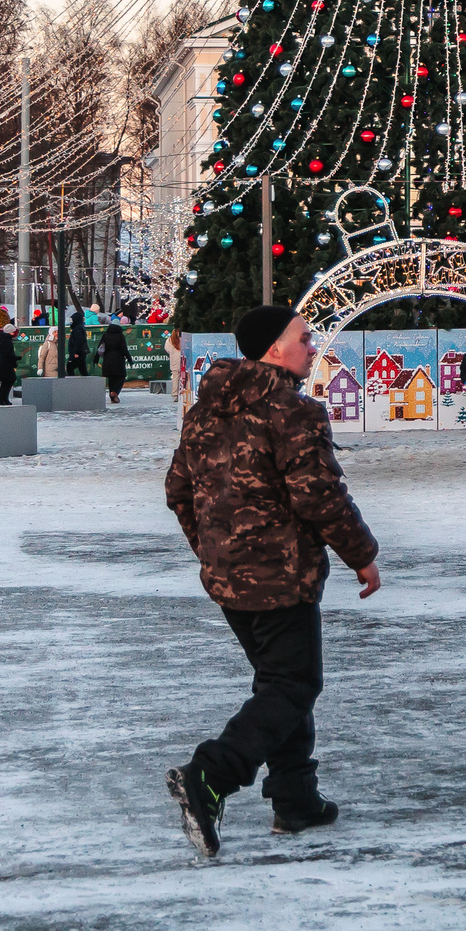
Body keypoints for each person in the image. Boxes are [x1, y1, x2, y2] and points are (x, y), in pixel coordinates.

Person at [165, 304, 381, 858]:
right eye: (304, 339)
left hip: (229, 579)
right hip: (281, 577)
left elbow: (178, 490)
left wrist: (215, 548)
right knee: (292, 685)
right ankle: (211, 774)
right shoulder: (294, 411)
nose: (312, 348)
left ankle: (295, 797)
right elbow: (319, 496)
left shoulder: (203, 410)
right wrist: (362, 554)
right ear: (273, 350)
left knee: (280, 681)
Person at [102, 316, 131, 403]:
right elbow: (124, 349)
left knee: (111, 378)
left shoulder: (105, 335)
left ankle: (112, 396)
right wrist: (129, 359)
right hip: (118, 360)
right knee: (120, 377)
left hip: (107, 360)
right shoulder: (120, 336)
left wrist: (96, 357)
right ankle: (115, 392)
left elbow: (101, 347)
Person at [0, 325, 21, 404]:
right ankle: (2, 399)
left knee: (6, 382)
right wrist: (16, 358)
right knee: (8, 381)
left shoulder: (4, 340)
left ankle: (3, 399)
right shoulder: (6, 341)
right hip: (6, 365)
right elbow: (7, 354)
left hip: (4, 364)